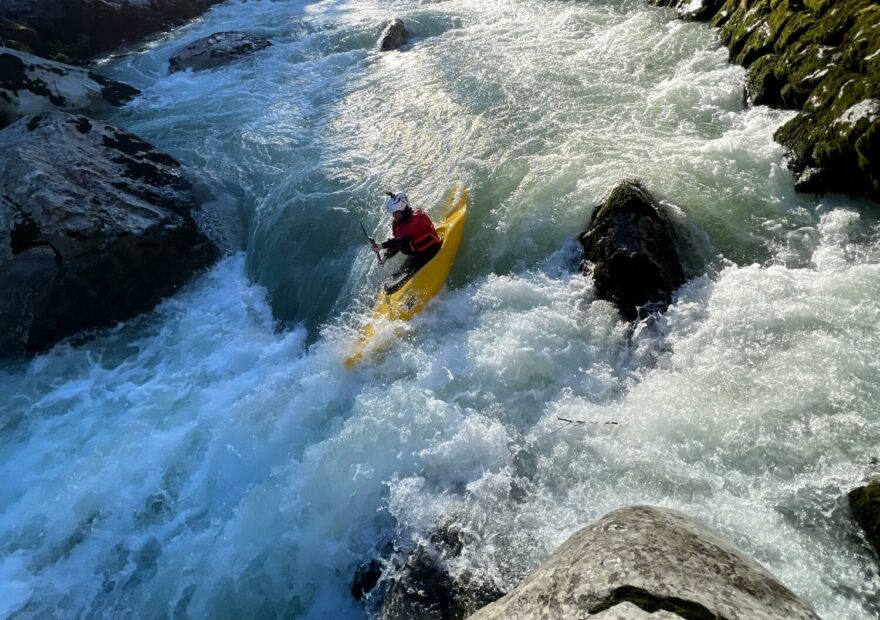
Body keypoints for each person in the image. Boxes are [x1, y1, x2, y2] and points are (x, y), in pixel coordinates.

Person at [372, 191, 442, 294]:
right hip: (417, 255)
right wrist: (386, 256)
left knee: (403, 242)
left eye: (396, 212)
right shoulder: (397, 223)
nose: (394, 216)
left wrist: (381, 245)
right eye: (393, 213)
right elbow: (397, 245)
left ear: (403, 208)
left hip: (431, 250)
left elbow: (401, 240)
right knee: (393, 279)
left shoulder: (418, 217)